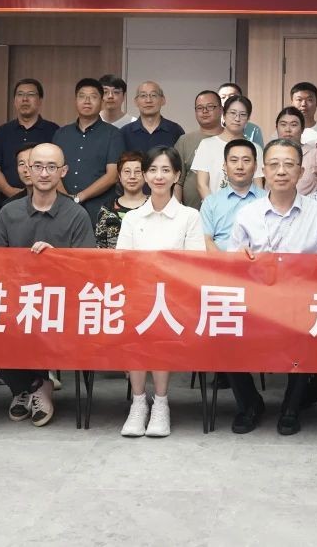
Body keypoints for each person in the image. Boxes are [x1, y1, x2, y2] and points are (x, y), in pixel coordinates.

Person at [227, 138, 317, 434]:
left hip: (302, 302)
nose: (281, 171)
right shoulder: (247, 214)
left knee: (309, 329)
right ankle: (249, 403)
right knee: (223, 329)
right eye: (274, 165)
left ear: (301, 171)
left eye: (289, 164)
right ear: (264, 170)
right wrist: (238, 258)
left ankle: (291, 406)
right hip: (256, 302)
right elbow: (231, 266)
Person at [0, 142, 96, 428]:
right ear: (27, 169)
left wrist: (57, 259)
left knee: (37, 321)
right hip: (15, 299)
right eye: (37, 166)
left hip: (63, 304)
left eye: (51, 167)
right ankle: (34, 386)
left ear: (63, 171)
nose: (44, 173)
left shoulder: (76, 215)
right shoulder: (9, 212)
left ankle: (31, 387)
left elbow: (88, 271)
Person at [116, 146, 206, 438]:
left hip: (176, 298)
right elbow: (122, 262)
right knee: (136, 322)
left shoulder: (189, 216)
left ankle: (161, 403)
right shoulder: (132, 218)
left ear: (177, 175)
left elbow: (195, 264)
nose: (159, 176)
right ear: (144, 175)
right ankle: (138, 402)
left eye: (166, 170)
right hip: (138, 295)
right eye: (153, 170)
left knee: (159, 324)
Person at [53, 78, 125, 224]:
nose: (87, 101)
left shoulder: (113, 134)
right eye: (82, 96)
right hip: (61, 208)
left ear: (102, 102)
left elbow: (113, 175)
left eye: (93, 97)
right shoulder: (61, 134)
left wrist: (79, 197)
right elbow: (53, 169)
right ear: (75, 101)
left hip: (99, 211)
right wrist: (66, 199)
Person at [0, 79, 59, 218]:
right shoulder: (2, 131)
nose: (25, 99)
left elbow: (58, 167)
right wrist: (10, 191)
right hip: (5, 202)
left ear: (40, 100)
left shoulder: (54, 131)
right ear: (14, 101)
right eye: (20, 94)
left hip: (44, 205)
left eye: (30, 94)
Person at [199, 139, 266, 251]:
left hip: (259, 259)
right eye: (234, 160)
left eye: (246, 160)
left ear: (255, 166)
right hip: (220, 260)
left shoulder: (268, 200)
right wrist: (225, 261)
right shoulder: (211, 202)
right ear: (225, 166)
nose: (240, 166)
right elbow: (205, 240)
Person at [193, 96, 264, 201]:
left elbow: (258, 186)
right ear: (224, 114)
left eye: (243, 114)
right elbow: (202, 185)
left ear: (248, 118)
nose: (237, 118)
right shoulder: (206, 145)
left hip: (247, 208)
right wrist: (213, 207)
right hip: (215, 207)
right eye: (232, 113)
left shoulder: (255, 148)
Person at [176, 90, 224, 208]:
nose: (204, 111)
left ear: (221, 109)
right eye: (199, 108)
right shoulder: (184, 141)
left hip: (225, 211)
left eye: (210, 106)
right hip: (191, 212)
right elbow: (177, 182)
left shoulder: (232, 140)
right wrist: (177, 211)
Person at [95, 151, 148, 249]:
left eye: (137, 172)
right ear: (119, 176)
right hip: (114, 259)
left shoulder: (154, 206)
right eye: (127, 171)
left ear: (145, 175)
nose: (132, 176)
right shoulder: (107, 210)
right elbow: (100, 248)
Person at [121, 81, 185, 154]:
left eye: (153, 95)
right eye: (143, 95)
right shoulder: (124, 133)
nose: (148, 100)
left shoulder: (176, 131)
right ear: (136, 102)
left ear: (163, 100)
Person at [219, 82, 264, 148]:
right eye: (223, 97)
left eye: (232, 96)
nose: (227, 99)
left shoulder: (254, 129)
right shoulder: (214, 127)